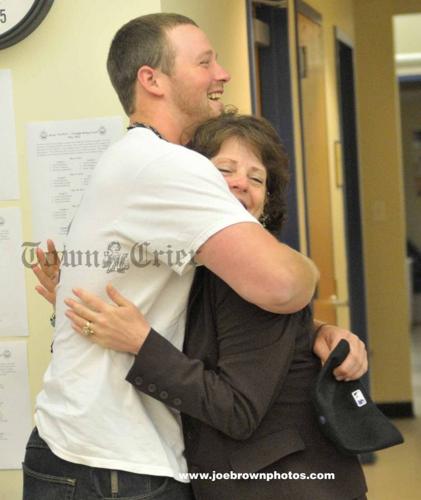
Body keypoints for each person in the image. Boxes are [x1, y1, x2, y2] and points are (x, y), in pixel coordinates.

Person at [24, 13, 366, 500]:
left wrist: (314, 330)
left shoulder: (134, 161)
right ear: (152, 80)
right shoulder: (167, 165)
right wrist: (307, 275)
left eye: (255, 177)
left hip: (88, 452)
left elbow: (216, 321)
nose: (221, 73)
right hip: (110, 465)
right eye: (205, 61)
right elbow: (284, 286)